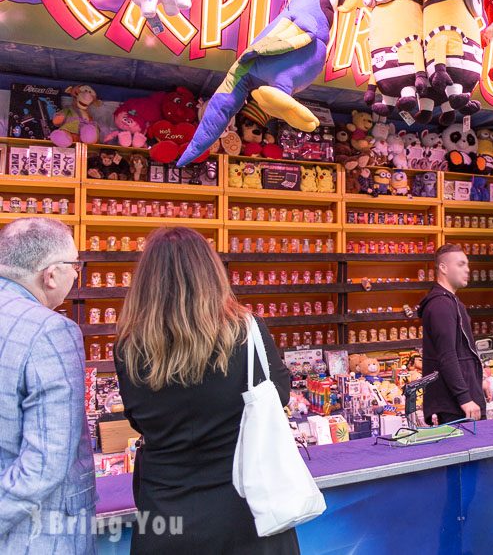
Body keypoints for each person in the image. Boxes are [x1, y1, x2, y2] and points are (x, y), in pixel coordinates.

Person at [114, 227, 298, 555]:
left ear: (145, 280)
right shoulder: (247, 333)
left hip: (165, 516)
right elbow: (279, 394)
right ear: (212, 272)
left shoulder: (129, 347)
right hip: (249, 510)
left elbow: (137, 419)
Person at [0, 218, 96, 554]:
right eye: (75, 266)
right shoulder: (50, 330)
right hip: (36, 532)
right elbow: (45, 464)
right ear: (51, 274)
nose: (76, 274)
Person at [418, 243, 488, 425]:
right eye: (461, 264)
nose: (467, 270)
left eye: (467, 265)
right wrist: (464, 398)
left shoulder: (452, 303)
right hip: (454, 407)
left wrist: (477, 380)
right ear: (443, 268)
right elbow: (447, 355)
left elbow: (462, 352)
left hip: (459, 403)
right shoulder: (440, 305)